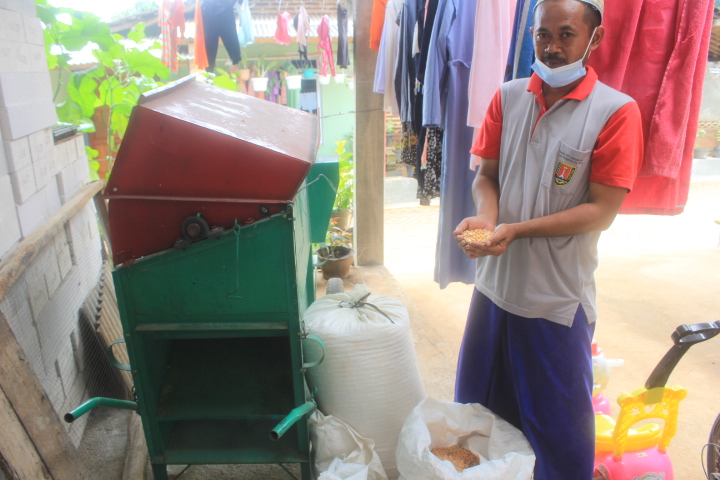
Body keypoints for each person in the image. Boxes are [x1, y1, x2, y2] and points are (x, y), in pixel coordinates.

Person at [452, 0, 644, 478]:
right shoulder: (508, 97)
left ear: (594, 40)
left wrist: (515, 232)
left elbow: (602, 210)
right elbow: (487, 176)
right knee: (483, 414)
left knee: (558, 431)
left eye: (566, 35)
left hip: (556, 296)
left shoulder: (616, 112)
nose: (552, 47)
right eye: (543, 35)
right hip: (495, 289)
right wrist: (489, 221)